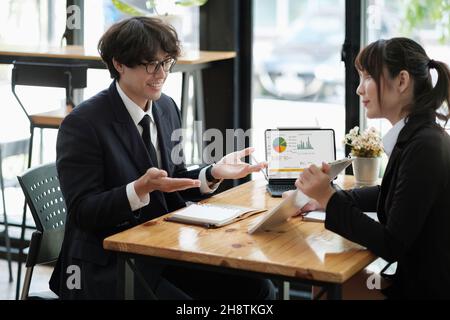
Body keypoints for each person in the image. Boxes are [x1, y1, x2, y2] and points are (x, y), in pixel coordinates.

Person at [49, 16, 275, 300]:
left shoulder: (166, 107)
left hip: (162, 249)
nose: (161, 73)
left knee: (258, 289)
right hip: (107, 262)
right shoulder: (84, 123)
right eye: (150, 64)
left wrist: (212, 173)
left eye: (166, 62)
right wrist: (138, 190)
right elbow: (83, 211)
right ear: (119, 64)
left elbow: (172, 177)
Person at [292, 37, 450, 299]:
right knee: (324, 281)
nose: (359, 89)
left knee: (327, 285)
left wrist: (329, 199)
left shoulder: (425, 146)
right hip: (413, 279)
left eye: (367, 77)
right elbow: (391, 193)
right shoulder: (420, 136)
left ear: (401, 81)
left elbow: (391, 244)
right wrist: (323, 199)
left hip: (422, 291)